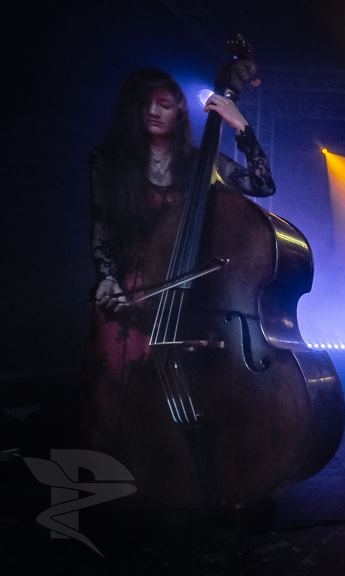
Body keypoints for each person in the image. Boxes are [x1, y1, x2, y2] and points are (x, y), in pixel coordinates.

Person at [83, 68, 275, 450]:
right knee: (113, 397)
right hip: (127, 296)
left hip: (185, 296)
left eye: (165, 104)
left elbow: (263, 184)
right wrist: (107, 277)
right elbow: (101, 227)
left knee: (177, 399)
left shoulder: (199, 162)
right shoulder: (108, 161)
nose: (153, 111)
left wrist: (241, 127)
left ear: (180, 112)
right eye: (145, 103)